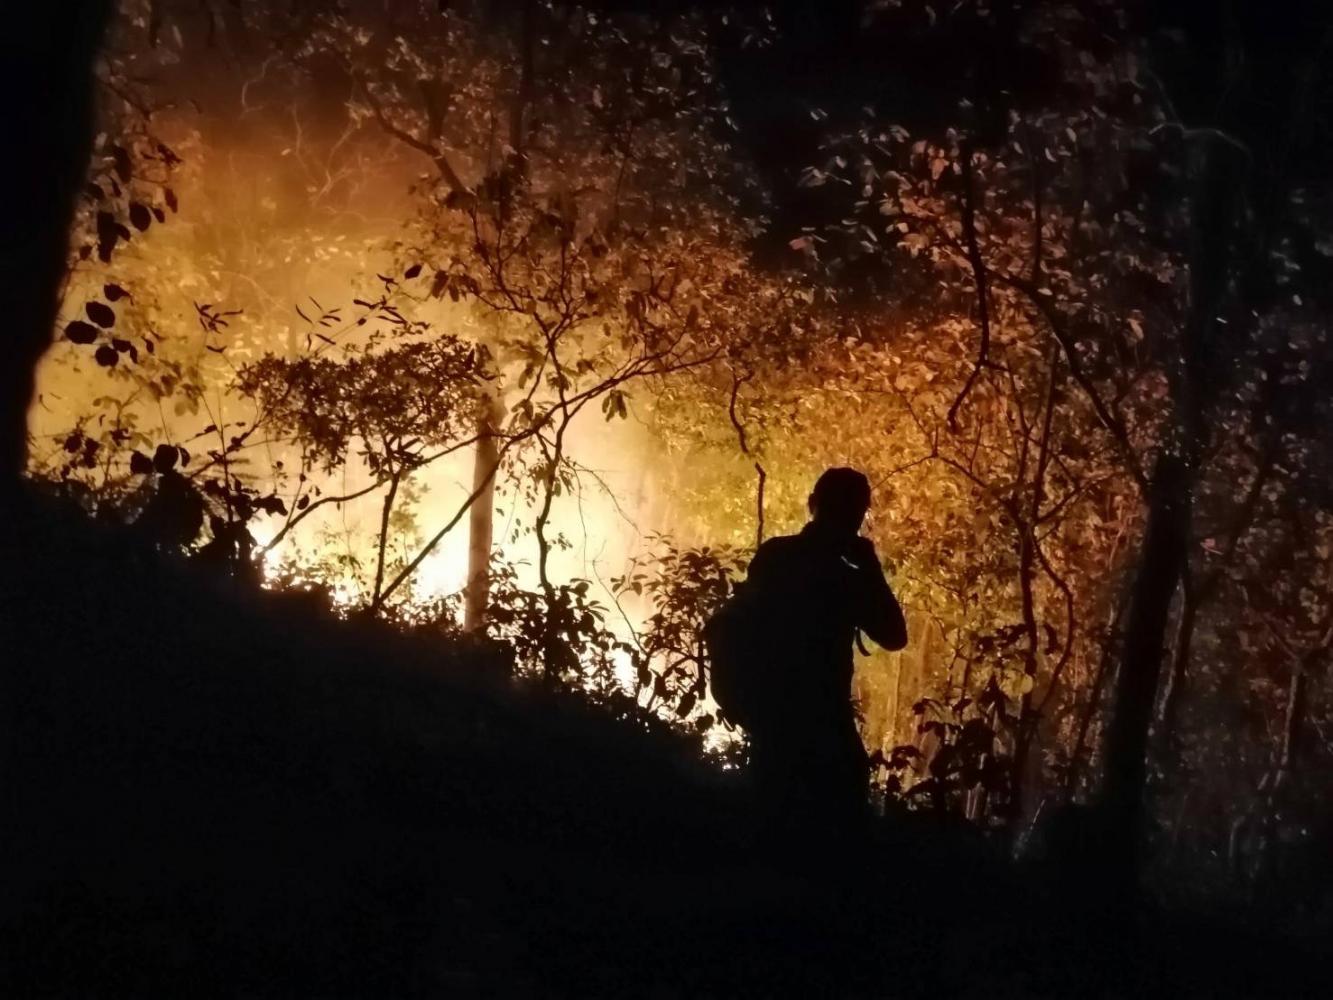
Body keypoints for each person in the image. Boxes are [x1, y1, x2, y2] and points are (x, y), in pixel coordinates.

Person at [742, 467, 907, 836]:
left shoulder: (775, 556)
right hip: (821, 718)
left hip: (770, 710)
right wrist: (870, 568)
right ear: (860, 517)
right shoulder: (845, 579)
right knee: (835, 816)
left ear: (812, 504)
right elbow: (895, 636)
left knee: (771, 814)